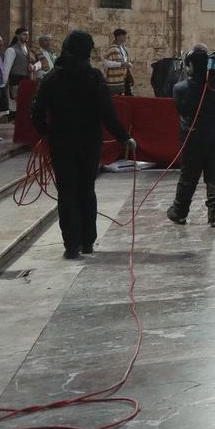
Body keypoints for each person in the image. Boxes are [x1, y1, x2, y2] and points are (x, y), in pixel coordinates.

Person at [30, 30, 133, 260]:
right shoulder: (93, 77)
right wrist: (124, 137)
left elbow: (36, 113)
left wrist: (46, 133)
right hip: (89, 143)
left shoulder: (52, 78)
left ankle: (71, 245)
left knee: (66, 192)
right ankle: (87, 242)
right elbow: (108, 113)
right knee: (86, 189)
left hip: (61, 142)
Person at [169, 47, 215, 229]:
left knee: (188, 177)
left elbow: (182, 110)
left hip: (193, 139)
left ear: (190, 65)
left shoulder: (180, 88)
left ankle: (179, 212)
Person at [2, 26, 33, 120]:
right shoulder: (11, 50)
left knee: (25, 106)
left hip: (27, 80)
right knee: (17, 106)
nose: (27, 36)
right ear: (17, 35)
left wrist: (34, 67)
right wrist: (3, 84)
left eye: (28, 34)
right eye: (24, 34)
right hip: (16, 81)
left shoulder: (28, 49)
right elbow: (6, 69)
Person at [102, 27, 135, 97]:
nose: (125, 37)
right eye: (123, 36)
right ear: (118, 37)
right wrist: (121, 64)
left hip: (124, 77)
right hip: (115, 79)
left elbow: (125, 61)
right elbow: (106, 63)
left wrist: (129, 63)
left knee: (128, 96)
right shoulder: (112, 49)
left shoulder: (124, 48)